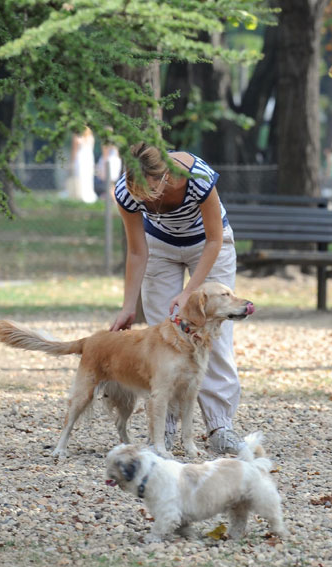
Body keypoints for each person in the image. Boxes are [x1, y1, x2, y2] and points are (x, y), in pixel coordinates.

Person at [111, 143, 244, 455]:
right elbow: (136, 250)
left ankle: (220, 425)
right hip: (160, 247)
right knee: (164, 339)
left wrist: (189, 293)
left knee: (215, 336)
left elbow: (213, 240)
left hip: (209, 244)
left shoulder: (197, 177)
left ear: (166, 177)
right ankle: (165, 429)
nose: (142, 199)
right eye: (136, 191)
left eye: (149, 191)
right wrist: (128, 306)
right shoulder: (125, 192)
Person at [70, 127, 97, 203]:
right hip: (88, 158)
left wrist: (72, 162)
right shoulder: (91, 137)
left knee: (81, 177)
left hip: (81, 158)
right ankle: (86, 194)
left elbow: (74, 150)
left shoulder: (77, 136)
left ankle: (82, 195)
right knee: (86, 177)